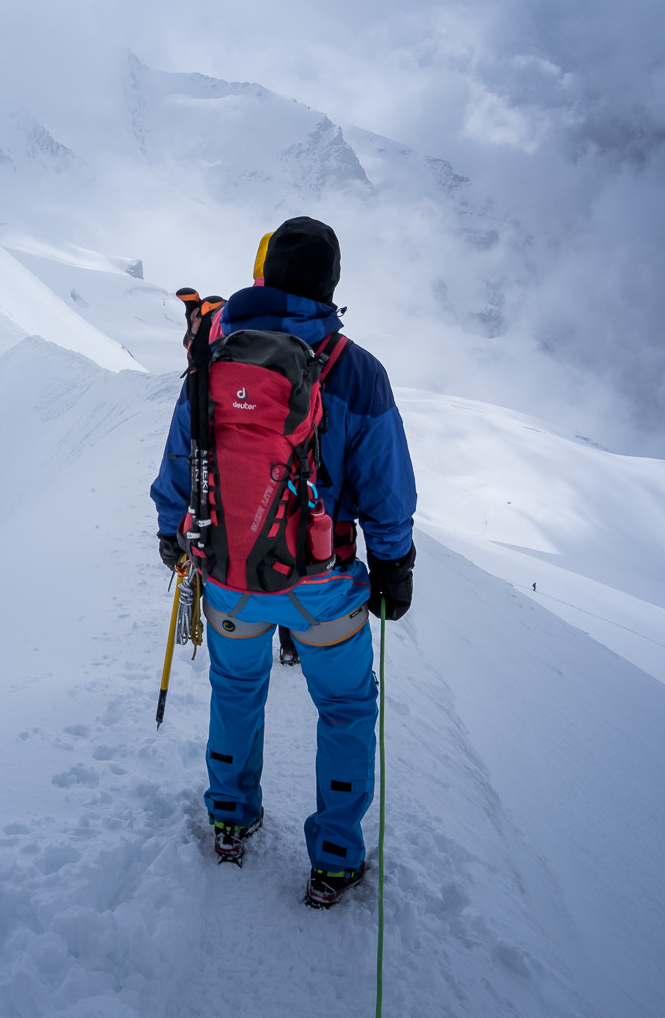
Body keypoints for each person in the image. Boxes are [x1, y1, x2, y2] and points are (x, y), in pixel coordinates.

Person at [151, 216, 417, 909]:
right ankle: (332, 855)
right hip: (321, 587)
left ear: (260, 274)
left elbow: (181, 458)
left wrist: (169, 532)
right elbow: (386, 492)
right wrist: (394, 566)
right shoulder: (355, 370)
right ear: (330, 285)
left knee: (236, 692)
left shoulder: (213, 355)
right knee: (345, 706)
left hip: (229, 575)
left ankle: (230, 816)